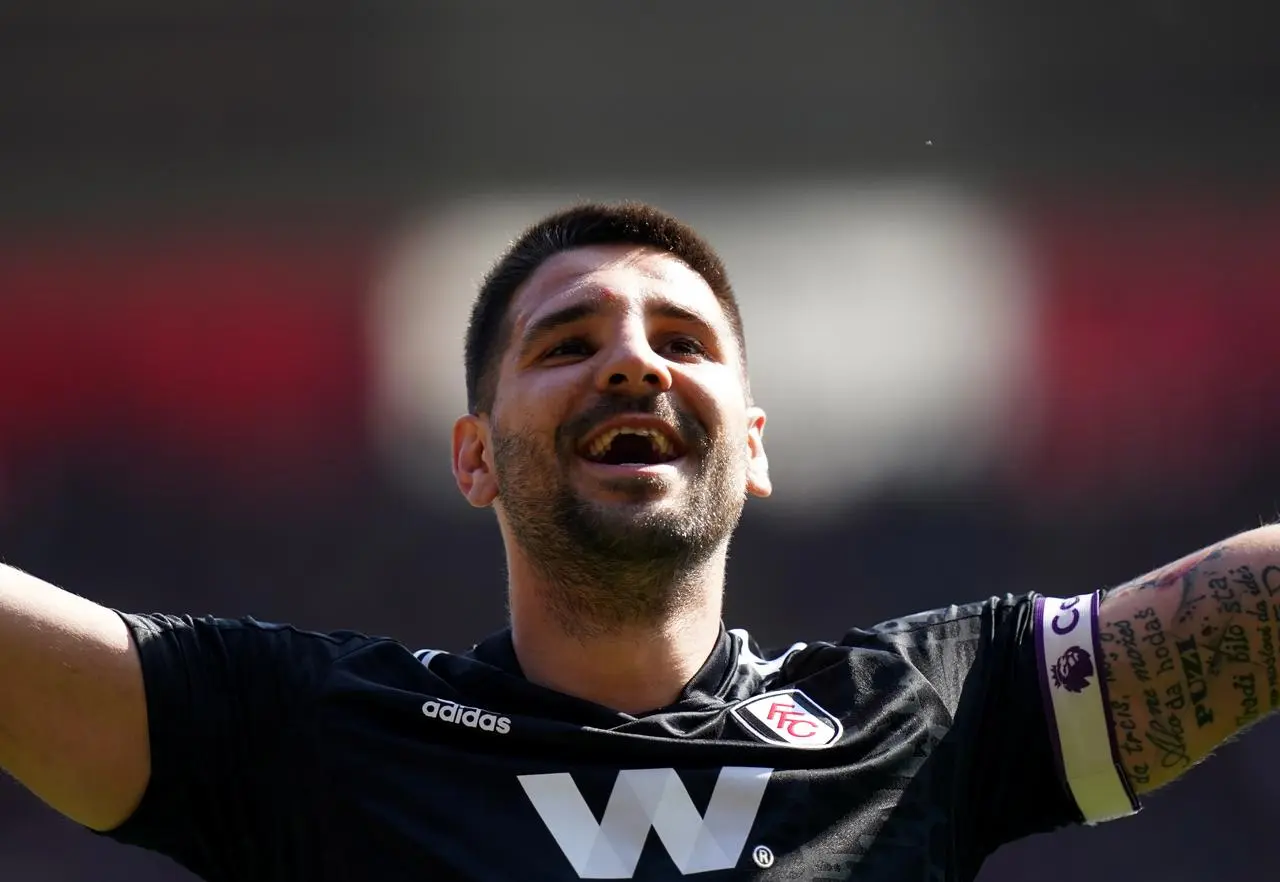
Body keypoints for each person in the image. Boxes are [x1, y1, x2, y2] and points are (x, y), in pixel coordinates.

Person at [0, 202, 1274, 882]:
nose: (629, 362)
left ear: (756, 445)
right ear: (475, 456)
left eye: (681, 341)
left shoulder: (921, 717)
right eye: (565, 343)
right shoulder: (307, 736)